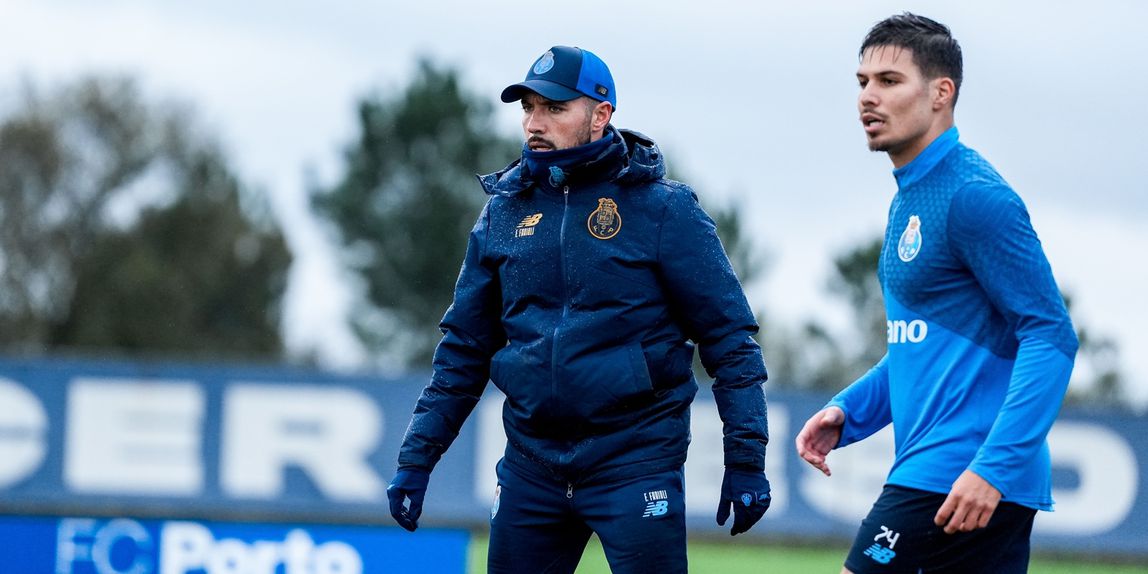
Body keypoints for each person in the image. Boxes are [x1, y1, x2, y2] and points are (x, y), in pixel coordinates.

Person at [386, 45, 772, 573]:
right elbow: (463, 349)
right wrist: (417, 460)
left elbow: (730, 341)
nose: (534, 123)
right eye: (527, 108)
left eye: (554, 108)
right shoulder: (504, 210)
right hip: (531, 466)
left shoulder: (663, 208)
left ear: (601, 114)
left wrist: (746, 460)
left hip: (636, 463)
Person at [795, 13, 1079, 574]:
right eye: (862, 82)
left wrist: (992, 468)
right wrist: (849, 409)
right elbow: (920, 345)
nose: (868, 98)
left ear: (941, 93)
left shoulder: (973, 196)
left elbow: (1051, 336)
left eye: (889, 81)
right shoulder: (910, 197)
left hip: (958, 473)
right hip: (953, 474)